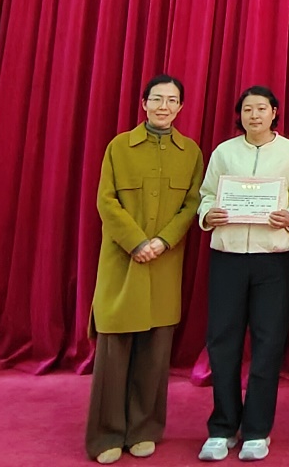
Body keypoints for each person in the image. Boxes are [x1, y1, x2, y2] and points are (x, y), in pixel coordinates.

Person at [87, 74, 204, 464]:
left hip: (164, 262)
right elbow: (106, 201)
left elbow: (192, 204)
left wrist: (163, 241)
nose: (163, 106)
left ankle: (144, 429)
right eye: (157, 99)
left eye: (172, 100)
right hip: (123, 262)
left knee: (155, 353)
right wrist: (136, 242)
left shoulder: (190, 152)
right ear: (144, 103)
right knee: (114, 353)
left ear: (181, 107)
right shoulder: (119, 147)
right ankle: (106, 434)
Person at [196, 86, 289, 462]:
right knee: (222, 342)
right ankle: (222, 427)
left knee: (268, 343)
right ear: (240, 114)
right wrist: (208, 213)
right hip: (228, 257)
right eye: (248, 109)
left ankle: (257, 430)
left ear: (274, 112)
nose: (255, 115)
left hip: (272, 259)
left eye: (262, 108)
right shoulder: (224, 152)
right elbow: (207, 194)